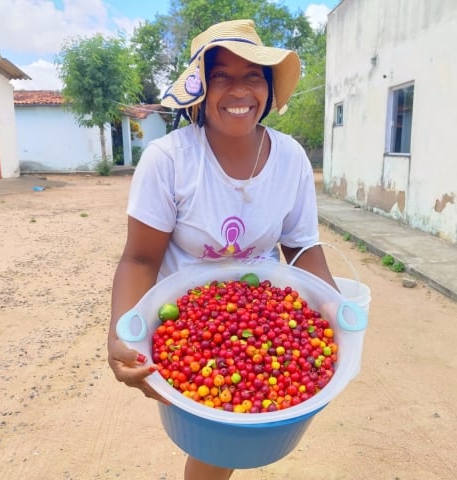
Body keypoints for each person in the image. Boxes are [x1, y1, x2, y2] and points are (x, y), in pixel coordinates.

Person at [107, 19, 337, 480]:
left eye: (253, 75)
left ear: (269, 89)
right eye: (221, 76)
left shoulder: (291, 158)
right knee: (216, 445)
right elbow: (140, 259)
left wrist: (335, 311)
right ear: (199, 88)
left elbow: (301, 245)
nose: (239, 90)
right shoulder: (169, 160)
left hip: (267, 315)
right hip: (188, 326)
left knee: (234, 437)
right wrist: (120, 336)